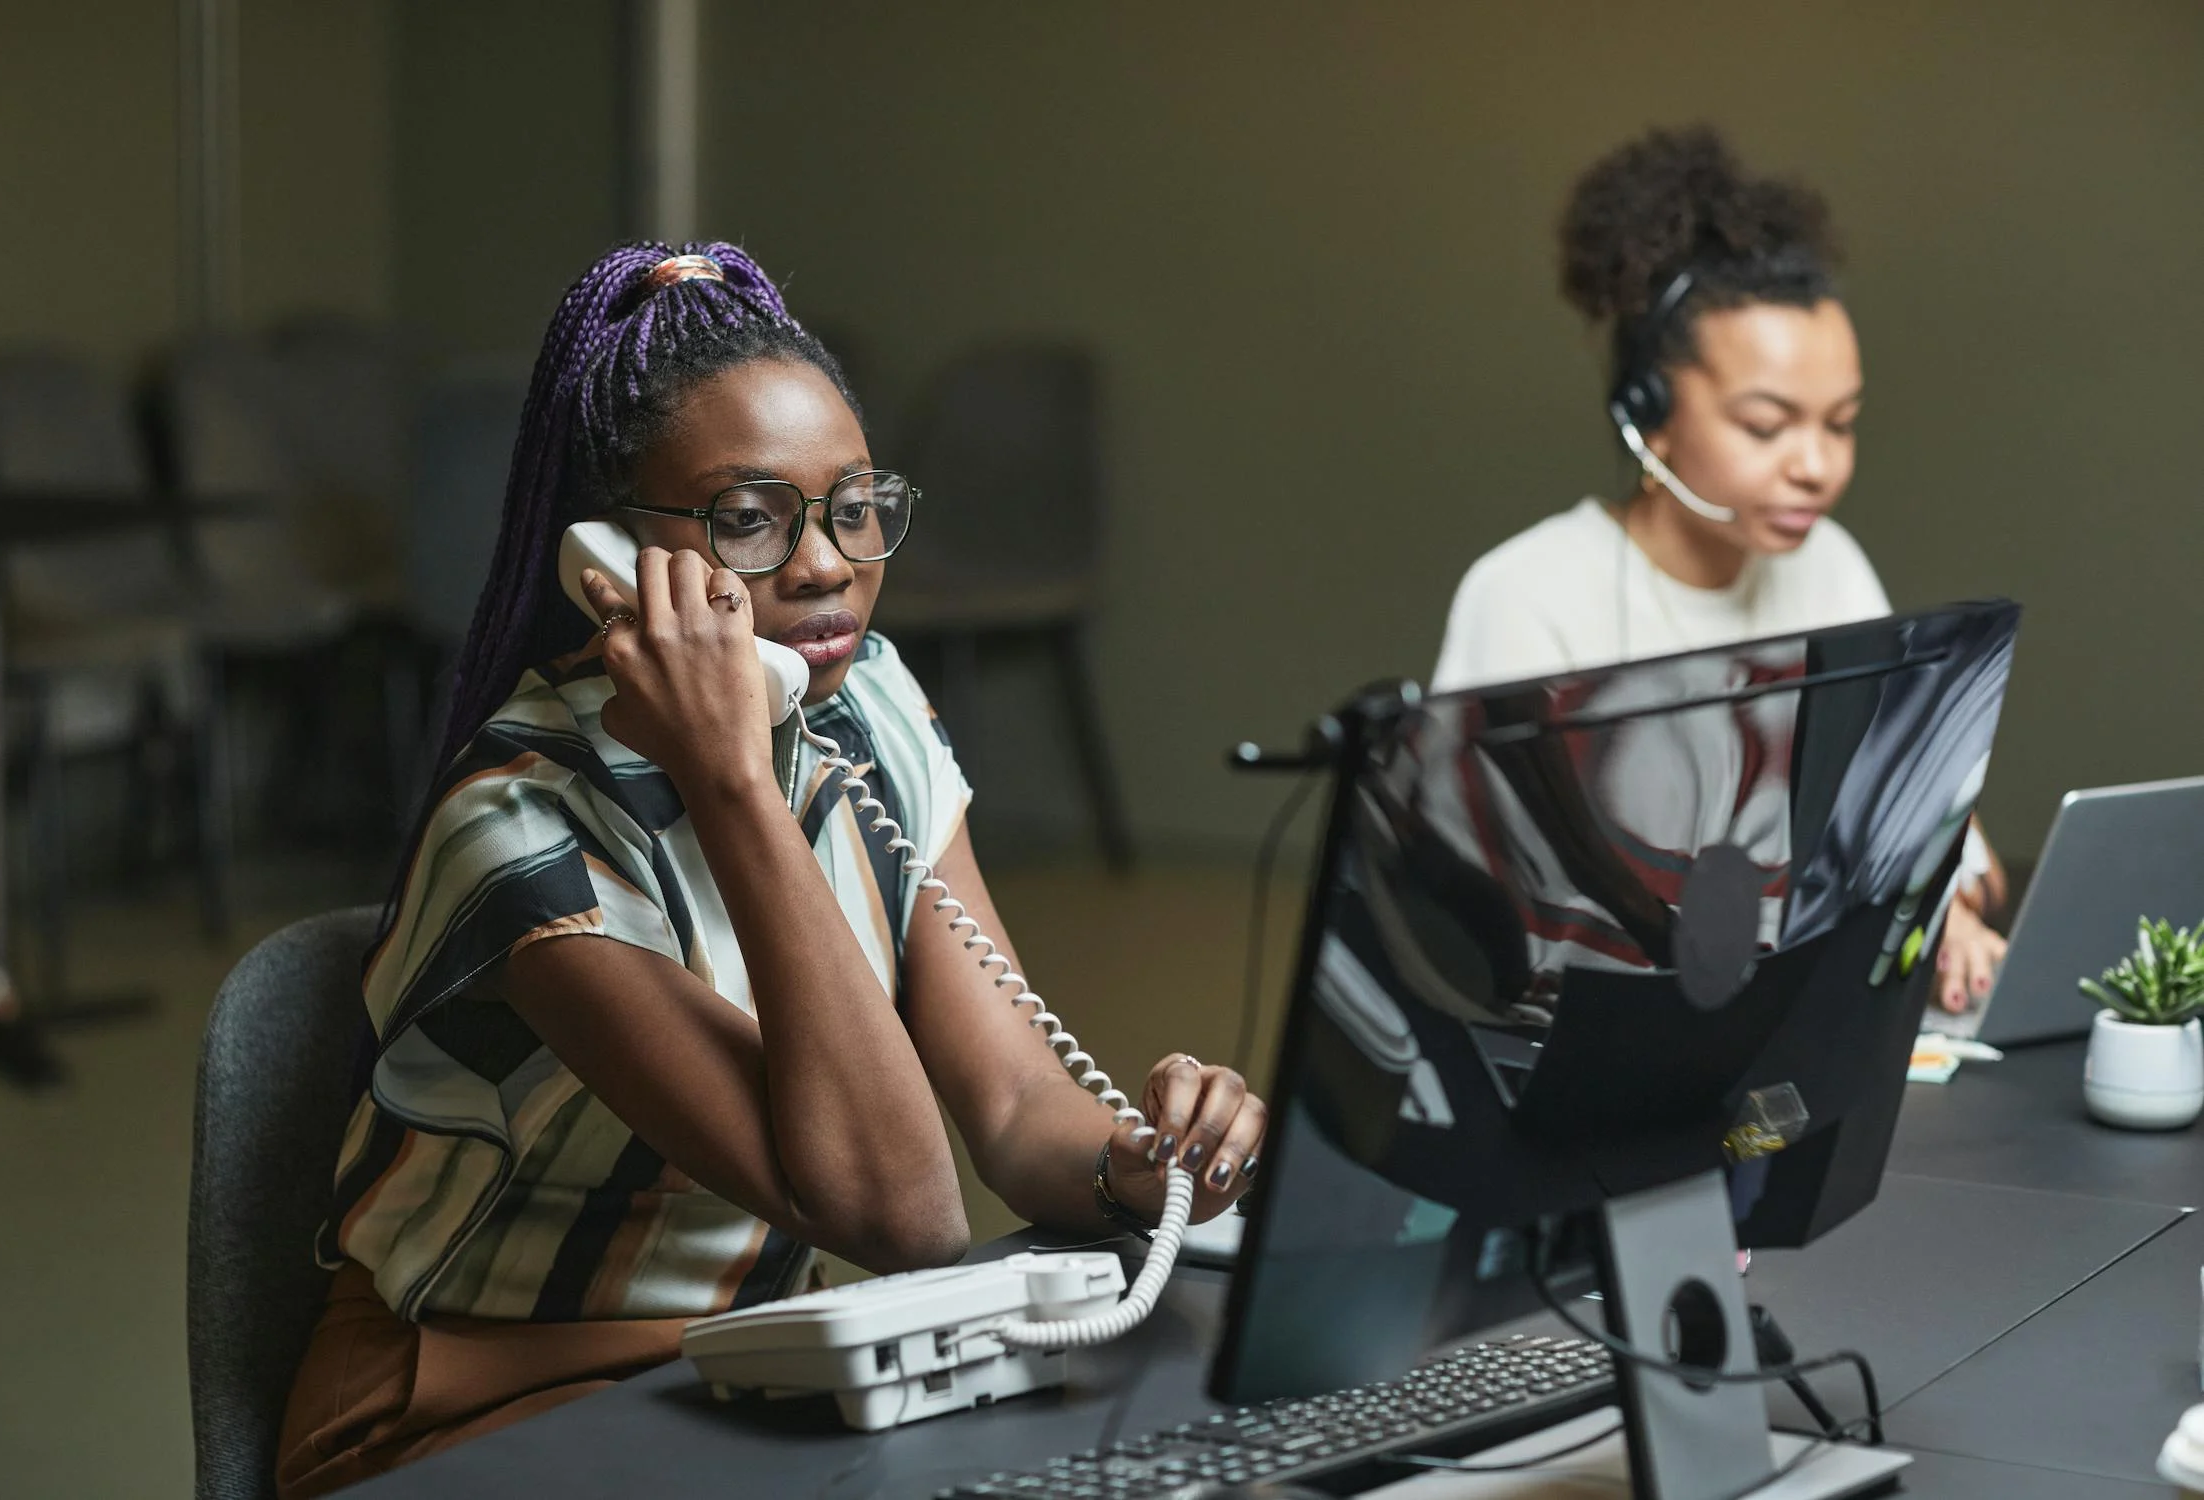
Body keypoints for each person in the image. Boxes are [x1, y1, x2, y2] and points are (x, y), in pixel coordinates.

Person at [276, 243, 1264, 1497]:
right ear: (609, 554)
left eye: (855, 505)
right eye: (750, 520)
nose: (827, 563)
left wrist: (1144, 1167)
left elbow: (1014, 1110)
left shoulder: (873, 712)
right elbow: (902, 1219)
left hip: (750, 1375)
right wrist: (734, 778)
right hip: (472, 1413)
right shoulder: (520, 833)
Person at [1429, 125, 2006, 1017]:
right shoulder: (1528, 595)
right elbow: (1485, 907)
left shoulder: (1831, 568)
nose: (1817, 466)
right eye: (1768, 426)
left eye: (1841, 422)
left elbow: (1917, 818)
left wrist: (1948, 911)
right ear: (1648, 414)